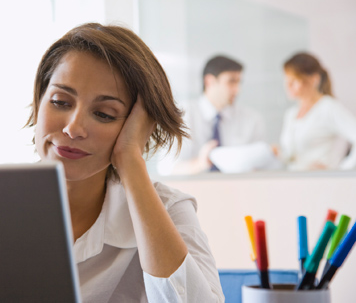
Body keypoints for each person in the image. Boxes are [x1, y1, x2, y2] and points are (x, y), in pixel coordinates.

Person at [25, 23, 224, 302]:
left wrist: (131, 158)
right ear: (39, 101)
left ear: (137, 125)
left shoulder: (168, 210)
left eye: (104, 114)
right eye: (60, 101)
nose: (73, 128)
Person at [169, 56, 266, 174]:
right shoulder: (181, 116)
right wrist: (201, 163)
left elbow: (260, 169)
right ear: (209, 81)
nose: (238, 90)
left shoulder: (252, 119)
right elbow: (168, 169)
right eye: (231, 81)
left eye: (239, 82)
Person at [279, 52, 356, 171]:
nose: (288, 85)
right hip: (294, 182)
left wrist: (341, 170)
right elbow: (292, 156)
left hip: (320, 183)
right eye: (286, 79)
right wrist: (277, 154)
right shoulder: (291, 114)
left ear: (313, 79)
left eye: (294, 80)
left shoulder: (328, 108)